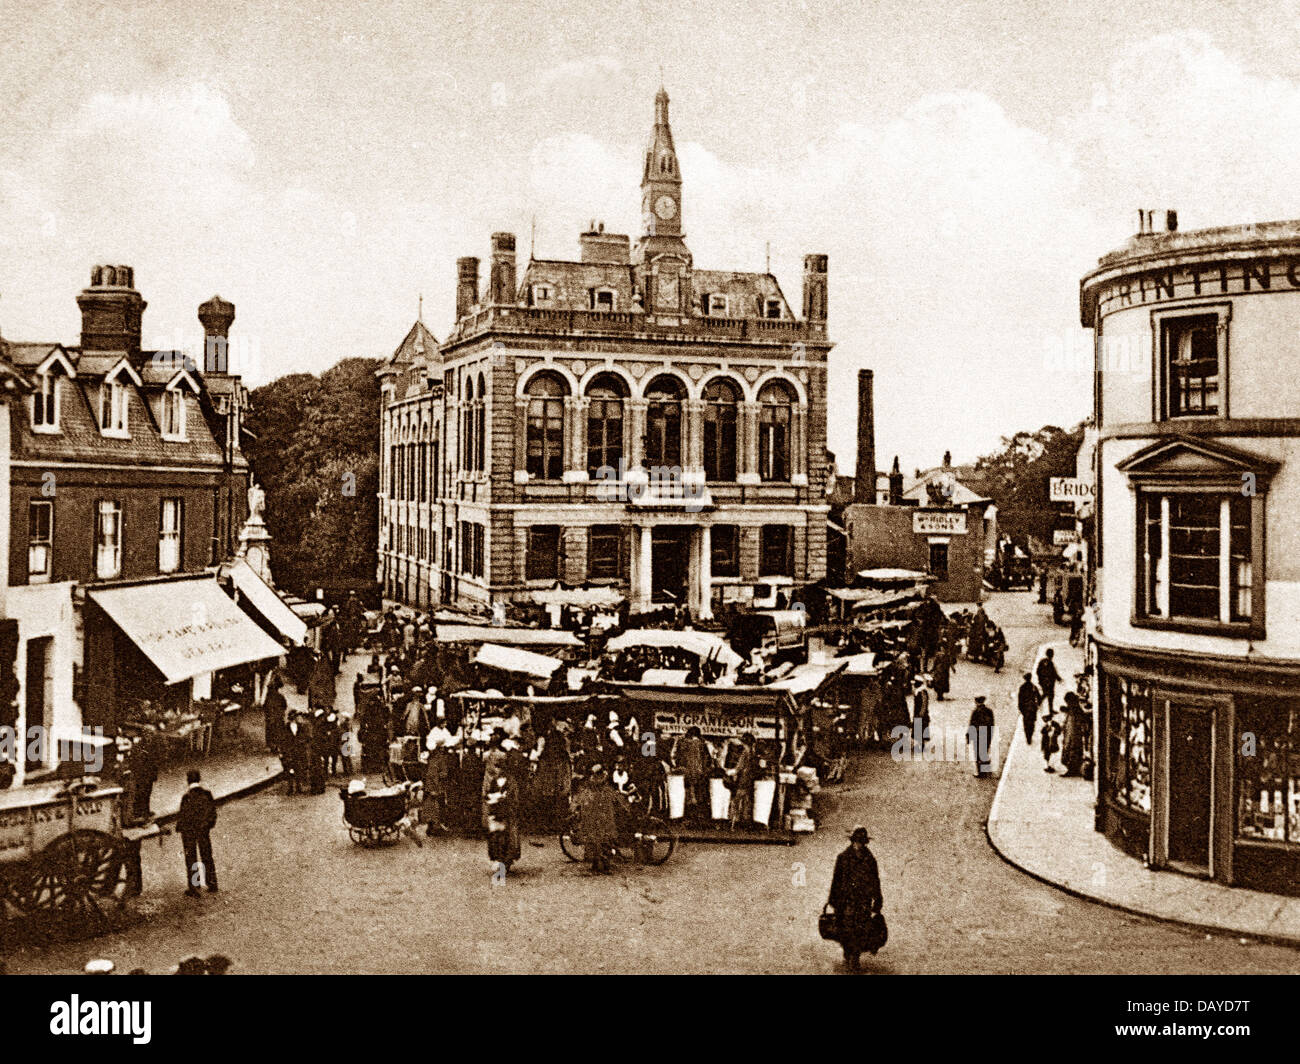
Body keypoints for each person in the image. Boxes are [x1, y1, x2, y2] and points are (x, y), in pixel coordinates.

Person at [827, 826, 883, 973]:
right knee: (845, 929)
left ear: (864, 843)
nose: (858, 845)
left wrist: (877, 900)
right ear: (852, 842)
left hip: (863, 901)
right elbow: (836, 880)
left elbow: (875, 881)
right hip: (845, 901)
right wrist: (833, 900)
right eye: (857, 842)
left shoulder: (870, 860)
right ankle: (848, 952)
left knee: (860, 929)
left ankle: (855, 958)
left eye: (861, 842)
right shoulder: (843, 858)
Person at [575, 764, 626, 875]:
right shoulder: (604, 786)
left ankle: (598, 866)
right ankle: (603, 866)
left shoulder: (592, 786)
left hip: (597, 817)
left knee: (597, 842)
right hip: (602, 817)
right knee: (603, 841)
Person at [178, 769, 218, 896]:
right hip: (203, 830)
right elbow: (212, 813)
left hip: (190, 831)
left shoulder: (186, 797)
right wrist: (207, 825)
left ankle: (195, 885)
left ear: (188, 781)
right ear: (199, 780)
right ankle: (212, 882)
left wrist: (180, 828)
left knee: (192, 857)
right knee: (206, 854)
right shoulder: (207, 794)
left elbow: (183, 816)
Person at [672, 726, 712, 822]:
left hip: (686, 773)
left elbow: (677, 758)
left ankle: (688, 816)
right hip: (699, 773)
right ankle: (700, 817)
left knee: (687, 794)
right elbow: (708, 760)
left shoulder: (682, 743)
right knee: (700, 795)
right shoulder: (702, 744)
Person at [727, 733, 756, 829]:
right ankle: (745, 822)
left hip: (743, 779)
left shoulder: (745, 752)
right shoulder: (752, 752)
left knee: (736, 800)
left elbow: (739, 767)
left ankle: (733, 822)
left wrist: (730, 772)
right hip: (749, 779)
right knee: (746, 801)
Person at [967, 695, 996, 778]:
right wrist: (991, 735)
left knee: (978, 754)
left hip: (978, 735)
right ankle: (986, 770)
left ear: (976, 702)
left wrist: (968, 736)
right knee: (984, 752)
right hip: (987, 734)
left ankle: (980, 773)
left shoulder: (975, 712)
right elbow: (992, 724)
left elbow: (971, 725)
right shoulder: (989, 711)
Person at [1059, 691, 1086, 777]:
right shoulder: (1073, 708)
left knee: (1072, 751)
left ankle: (1072, 770)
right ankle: (1072, 769)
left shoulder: (1075, 709)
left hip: (1073, 734)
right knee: (1069, 751)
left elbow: (1079, 719)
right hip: (1071, 733)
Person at [1037, 649, 1062, 713]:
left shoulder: (1043, 661)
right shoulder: (1049, 663)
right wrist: (1058, 678)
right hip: (1048, 683)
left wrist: (1058, 678)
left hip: (1047, 682)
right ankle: (1038, 704)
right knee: (1048, 695)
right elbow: (1053, 673)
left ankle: (1050, 709)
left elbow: (1038, 671)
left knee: (1048, 695)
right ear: (1052, 655)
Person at [1017, 673, 1040, 745]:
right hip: (1032, 708)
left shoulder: (1022, 687)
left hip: (1025, 709)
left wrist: (1021, 709)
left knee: (1026, 724)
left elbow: (1020, 699)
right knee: (1032, 723)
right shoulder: (1034, 687)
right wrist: (1037, 705)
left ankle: (1028, 737)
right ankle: (1030, 736)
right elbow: (1039, 697)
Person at [911, 676, 931, 754]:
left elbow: (924, 704)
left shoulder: (922, 692)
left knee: (920, 730)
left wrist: (921, 714)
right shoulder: (920, 691)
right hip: (918, 714)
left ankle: (921, 746)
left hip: (921, 715)